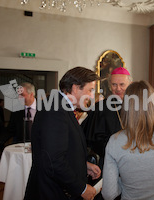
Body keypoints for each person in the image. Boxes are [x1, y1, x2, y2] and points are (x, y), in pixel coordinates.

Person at [25, 67, 101, 200]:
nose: (91, 96)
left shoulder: (60, 106)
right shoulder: (55, 110)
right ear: (76, 88)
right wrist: (81, 188)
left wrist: (84, 165)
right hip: (51, 192)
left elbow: (63, 149)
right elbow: (53, 161)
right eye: (90, 90)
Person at [81, 66, 132, 169]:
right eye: (114, 84)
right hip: (110, 161)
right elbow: (93, 140)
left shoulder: (138, 105)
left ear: (130, 85)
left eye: (122, 84)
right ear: (109, 85)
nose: (118, 89)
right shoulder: (101, 107)